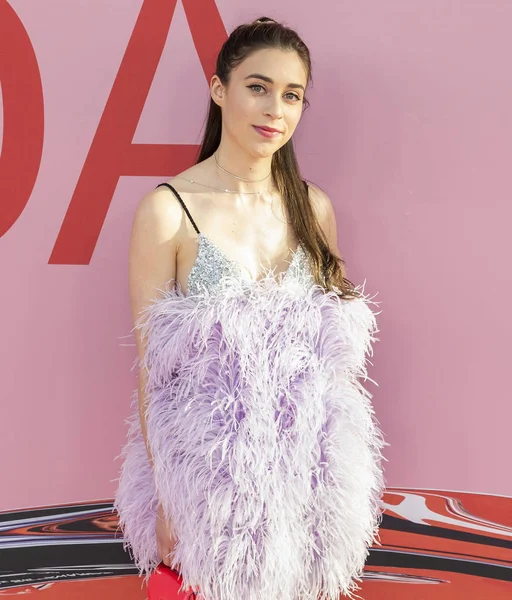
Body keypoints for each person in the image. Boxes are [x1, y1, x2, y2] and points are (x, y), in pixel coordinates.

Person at [113, 16, 387, 600]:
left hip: (306, 489)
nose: (275, 110)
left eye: (292, 95)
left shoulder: (313, 208)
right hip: (209, 490)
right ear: (220, 91)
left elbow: (332, 362)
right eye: (258, 87)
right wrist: (167, 496)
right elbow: (152, 370)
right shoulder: (168, 211)